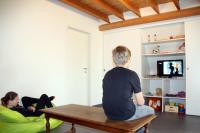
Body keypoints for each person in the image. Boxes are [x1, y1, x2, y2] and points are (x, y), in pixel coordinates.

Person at [102, 46, 154, 132]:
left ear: (114, 59)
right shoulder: (132, 75)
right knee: (151, 110)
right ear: (128, 59)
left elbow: (113, 94)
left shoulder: (107, 74)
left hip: (109, 113)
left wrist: (131, 101)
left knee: (132, 104)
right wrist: (134, 102)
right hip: (125, 114)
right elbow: (141, 102)